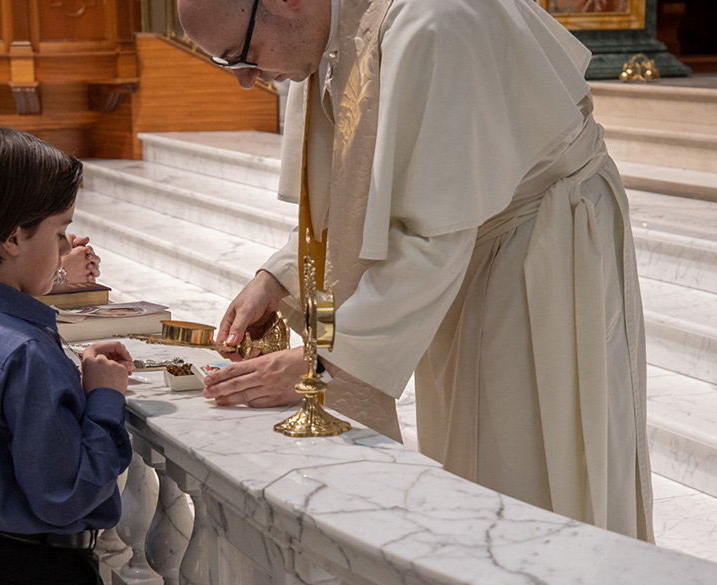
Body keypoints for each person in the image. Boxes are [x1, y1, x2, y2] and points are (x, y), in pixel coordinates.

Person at [177, 0, 653, 541]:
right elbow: (356, 185)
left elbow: (432, 233)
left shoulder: (435, 23)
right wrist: (279, 274)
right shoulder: (329, 30)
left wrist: (322, 362)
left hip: (535, 249)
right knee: (465, 457)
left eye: (244, 56)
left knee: (527, 473)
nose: (246, 81)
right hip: (469, 241)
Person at [0, 127, 133, 585]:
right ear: (12, 238)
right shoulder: (25, 352)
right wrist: (104, 399)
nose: (63, 252)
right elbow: (68, 492)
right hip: (39, 567)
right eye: (60, 233)